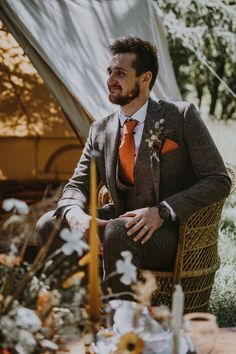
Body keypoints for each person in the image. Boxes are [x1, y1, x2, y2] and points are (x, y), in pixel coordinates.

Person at [37, 36, 231, 297]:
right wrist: (75, 215)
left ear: (145, 78)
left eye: (120, 73)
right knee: (48, 225)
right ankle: (75, 310)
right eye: (109, 72)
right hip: (118, 219)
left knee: (118, 230)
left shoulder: (180, 117)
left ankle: (121, 321)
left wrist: (162, 211)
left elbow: (218, 179)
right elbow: (78, 184)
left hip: (169, 231)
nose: (110, 80)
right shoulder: (101, 129)